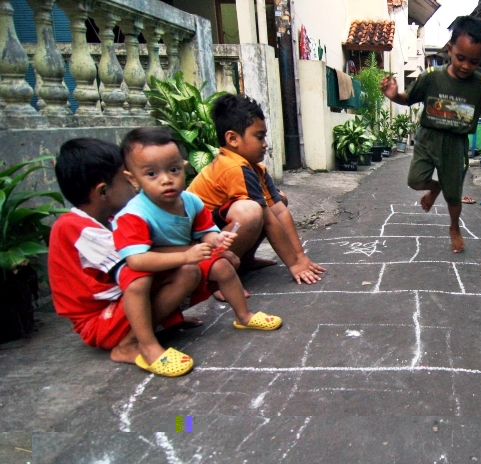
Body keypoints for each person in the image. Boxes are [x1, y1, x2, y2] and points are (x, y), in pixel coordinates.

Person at [113, 127, 283, 377]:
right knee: (137, 284)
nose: (166, 179)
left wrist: (217, 238)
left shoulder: (191, 201)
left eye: (173, 170)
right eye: (151, 173)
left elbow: (205, 230)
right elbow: (137, 260)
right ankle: (145, 346)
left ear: (183, 167)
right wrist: (186, 256)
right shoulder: (134, 214)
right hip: (146, 268)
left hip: (182, 260)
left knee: (223, 265)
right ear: (133, 179)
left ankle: (244, 316)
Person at [49, 138, 202, 368]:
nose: (136, 185)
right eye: (127, 179)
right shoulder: (73, 227)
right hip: (98, 322)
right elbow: (138, 258)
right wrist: (193, 250)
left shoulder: (110, 219)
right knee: (147, 273)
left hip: (117, 308)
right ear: (103, 191)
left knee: (187, 268)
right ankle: (129, 345)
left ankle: (161, 321)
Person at [380, 15, 481, 253]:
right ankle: (435, 188)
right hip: (428, 137)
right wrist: (394, 96)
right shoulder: (431, 77)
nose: (466, 66)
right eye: (461, 58)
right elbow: (408, 98)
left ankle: (454, 226)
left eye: (474, 62)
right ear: (449, 50)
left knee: (454, 194)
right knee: (415, 180)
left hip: (455, 143)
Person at [187, 94, 325, 288]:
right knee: (251, 212)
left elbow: (279, 210)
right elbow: (268, 220)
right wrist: (294, 264)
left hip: (220, 228)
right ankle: (219, 278)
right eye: (259, 137)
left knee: (279, 199)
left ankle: (244, 260)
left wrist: (300, 256)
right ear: (233, 138)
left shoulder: (254, 167)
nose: (265, 143)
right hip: (198, 239)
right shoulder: (234, 167)